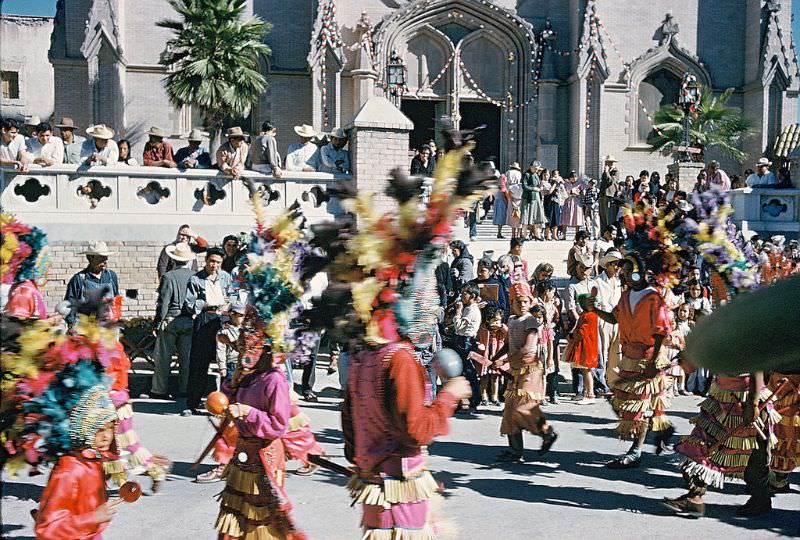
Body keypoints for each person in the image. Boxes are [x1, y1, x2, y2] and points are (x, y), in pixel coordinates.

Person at [587, 255, 674, 468]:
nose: (626, 276)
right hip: (629, 357)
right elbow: (615, 318)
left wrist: (654, 361)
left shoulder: (654, 297)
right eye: (623, 272)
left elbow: (662, 331)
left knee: (637, 405)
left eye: (630, 271)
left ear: (642, 271)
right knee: (621, 400)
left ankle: (636, 451)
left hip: (648, 357)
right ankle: (660, 430)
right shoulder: (625, 296)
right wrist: (594, 309)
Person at [662, 369, 770, 518]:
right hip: (721, 397)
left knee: (753, 453)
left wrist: (753, 403)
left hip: (746, 401)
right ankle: (695, 496)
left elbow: (757, 366)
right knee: (699, 443)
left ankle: (760, 499)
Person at [33, 385, 120, 540]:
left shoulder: (95, 461)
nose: (107, 436)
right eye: (99, 429)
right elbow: (47, 528)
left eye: (110, 428)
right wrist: (93, 518)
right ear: (85, 429)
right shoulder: (69, 470)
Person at [496, 282, 558, 462]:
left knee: (524, 407)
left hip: (530, 370)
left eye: (525, 301)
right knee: (509, 410)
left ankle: (547, 432)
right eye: (518, 302)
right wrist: (496, 357)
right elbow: (509, 344)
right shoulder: (512, 320)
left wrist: (506, 359)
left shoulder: (530, 320)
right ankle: (515, 451)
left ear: (530, 302)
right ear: (512, 303)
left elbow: (528, 347)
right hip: (515, 370)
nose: (522, 305)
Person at [183, 247, 233, 415]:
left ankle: (227, 402)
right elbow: (190, 305)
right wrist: (206, 303)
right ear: (206, 261)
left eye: (218, 262)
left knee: (226, 360)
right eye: (212, 261)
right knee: (199, 361)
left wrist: (227, 304)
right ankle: (193, 401)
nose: (214, 265)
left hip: (222, 319)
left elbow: (233, 296)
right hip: (204, 318)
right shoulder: (196, 279)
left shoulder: (226, 277)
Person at [151, 242, 196, 400]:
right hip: (189, 320)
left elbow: (164, 303)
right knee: (186, 359)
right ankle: (185, 389)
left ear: (174, 259)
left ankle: (159, 390)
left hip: (170, 319)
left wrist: (158, 323)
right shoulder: (194, 276)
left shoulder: (168, 277)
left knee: (163, 357)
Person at [562, 252, 599, 403]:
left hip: (592, 323)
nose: (584, 271)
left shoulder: (593, 284)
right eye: (582, 267)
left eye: (587, 268)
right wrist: (579, 323)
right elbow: (571, 308)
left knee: (588, 360)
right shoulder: (572, 286)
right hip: (579, 323)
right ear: (577, 267)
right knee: (577, 360)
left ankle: (590, 390)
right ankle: (579, 390)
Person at [64, 241, 119, 329]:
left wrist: (117, 319)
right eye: (101, 257)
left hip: (108, 329)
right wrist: (71, 326)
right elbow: (70, 305)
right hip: (86, 329)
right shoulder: (79, 279)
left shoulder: (111, 276)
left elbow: (116, 298)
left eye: (106, 257)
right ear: (90, 258)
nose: (105, 261)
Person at [594, 250, 622, 396]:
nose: (617, 268)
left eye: (619, 265)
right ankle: (601, 384)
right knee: (602, 353)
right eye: (615, 265)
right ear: (608, 265)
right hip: (604, 319)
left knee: (616, 353)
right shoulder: (598, 282)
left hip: (617, 320)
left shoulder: (618, 282)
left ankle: (613, 383)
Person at [452, 283, 482, 411]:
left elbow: (459, 326)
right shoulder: (468, 307)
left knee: (468, 371)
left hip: (466, 342)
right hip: (461, 340)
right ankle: (464, 399)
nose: (461, 296)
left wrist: (458, 312)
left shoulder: (472, 310)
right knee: (461, 371)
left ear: (472, 296)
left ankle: (474, 398)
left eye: (465, 293)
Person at [476, 306, 508, 405]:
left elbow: (507, 332)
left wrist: (501, 326)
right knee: (484, 377)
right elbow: (478, 338)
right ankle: (484, 396)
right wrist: (479, 345)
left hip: (496, 354)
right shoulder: (483, 328)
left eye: (499, 320)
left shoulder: (501, 330)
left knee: (495, 377)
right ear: (487, 319)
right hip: (486, 354)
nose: (496, 323)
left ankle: (494, 396)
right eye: (494, 320)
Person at [521, 160, 546, 240]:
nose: (537, 170)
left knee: (537, 216)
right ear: (531, 167)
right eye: (535, 168)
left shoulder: (535, 174)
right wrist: (534, 188)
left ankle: (537, 234)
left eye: (537, 169)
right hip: (528, 198)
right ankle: (524, 234)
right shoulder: (526, 174)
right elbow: (524, 186)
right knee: (526, 216)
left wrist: (539, 188)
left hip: (536, 197)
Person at [560, 170, 584, 237]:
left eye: (575, 177)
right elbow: (563, 192)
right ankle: (564, 234)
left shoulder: (580, 183)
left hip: (577, 202)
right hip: (568, 201)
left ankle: (577, 235)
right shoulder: (566, 184)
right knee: (565, 218)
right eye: (572, 177)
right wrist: (570, 193)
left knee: (577, 218)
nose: (574, 178)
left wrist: (579, 193)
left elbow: (583, 193)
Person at [599, 156, 619, 230]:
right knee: (603, 217)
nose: (607, 164)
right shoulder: (605, 172)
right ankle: (603, 234)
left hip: (610, 196)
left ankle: (611, 233)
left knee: (609, 217)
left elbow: (610, 181)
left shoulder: (616, 172)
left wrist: (607, 172)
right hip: (602, 195)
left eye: (609, 162)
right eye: (606, 162)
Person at [505, 161, 524, 238]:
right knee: (519, 216)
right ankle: (519, 233)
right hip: (519, 192)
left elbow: (506, 183)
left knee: (513, 216)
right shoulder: (519, 173)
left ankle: (513, 234)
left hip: (511, 192)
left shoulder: (508, 172)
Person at [493, 171, 510, 239]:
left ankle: (499, 232)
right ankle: (499, 233)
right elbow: (504, 195)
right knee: (501, 218)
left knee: (500, 218)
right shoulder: (503, 187)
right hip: (501, 203)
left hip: (497, 202)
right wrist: (507, 203)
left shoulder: (497, 185)